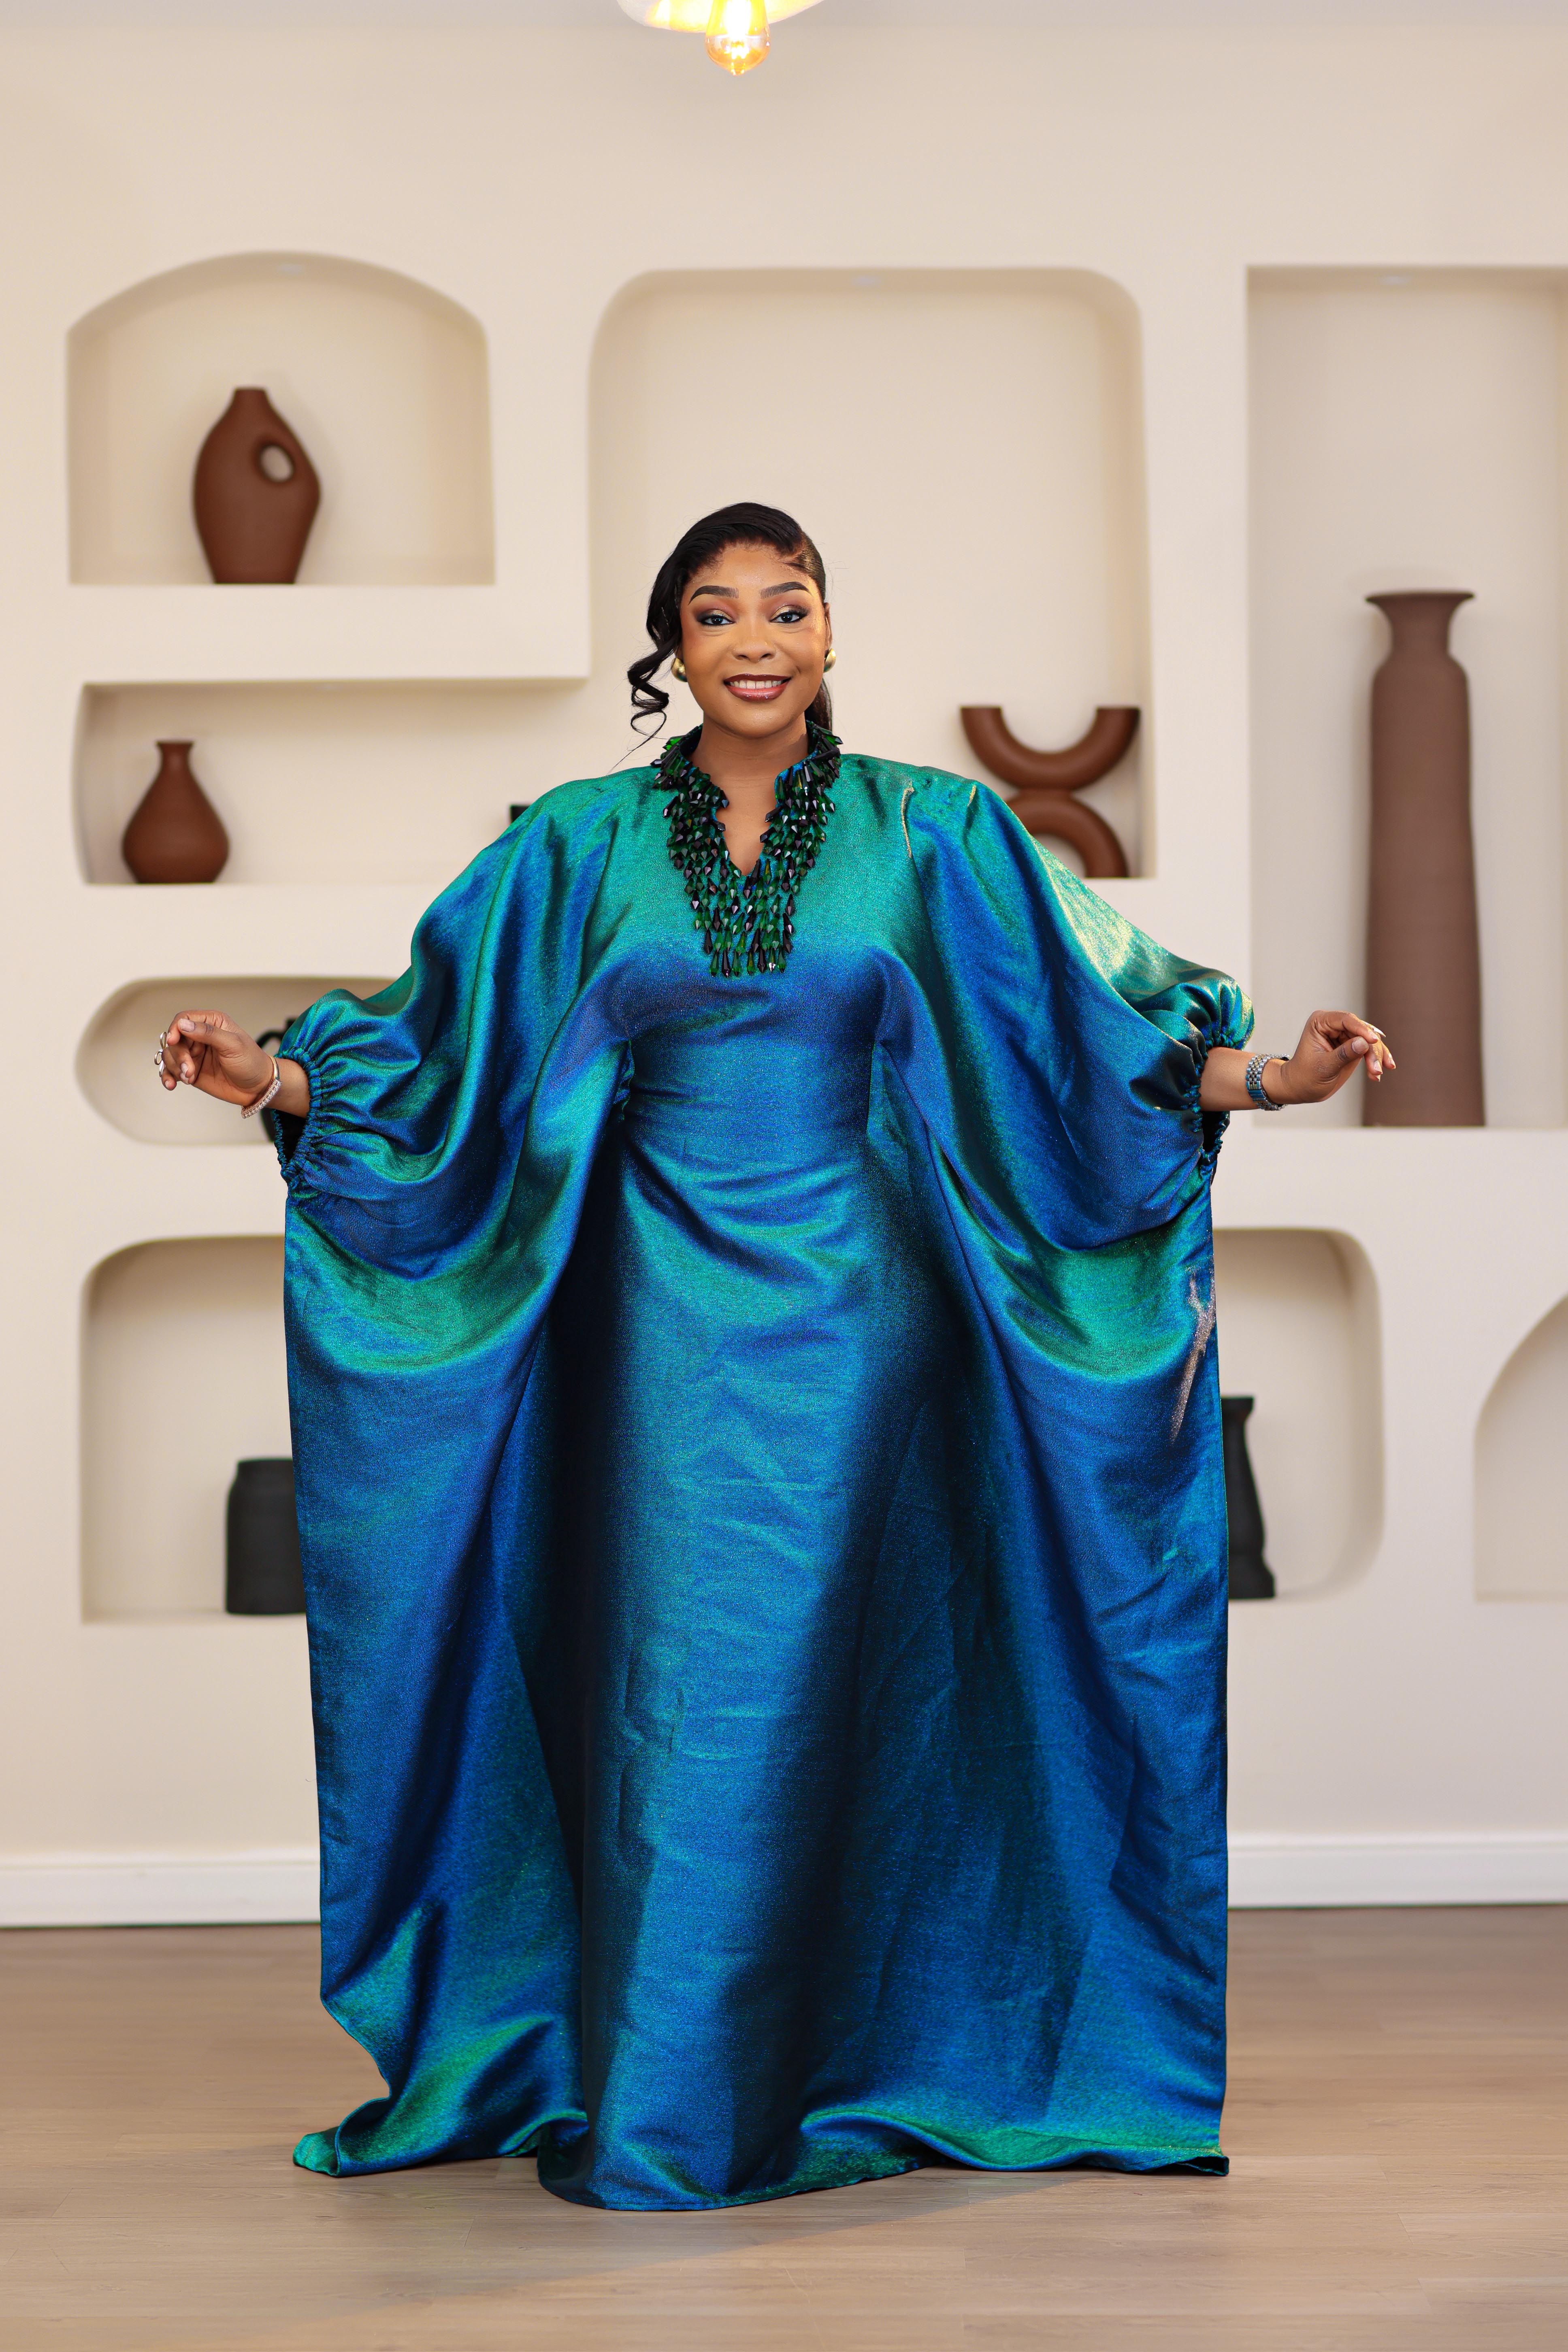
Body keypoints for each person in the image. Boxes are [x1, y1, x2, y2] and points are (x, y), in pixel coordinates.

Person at [158, 502, 1392, 2212]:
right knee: (673, 1678)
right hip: (644, 1320)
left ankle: (828, 2066)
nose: (752, 636)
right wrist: (277, 1081)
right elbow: (447, 1050)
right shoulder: (576, 844)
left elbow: (1084, 1044)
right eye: (713, 609)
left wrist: (1273, 1073)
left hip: (869, 1323)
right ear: (669, 646)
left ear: (828, 634)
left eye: (785, 605)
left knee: (831, 1678)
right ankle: (668, 2086)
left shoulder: (936, 832)